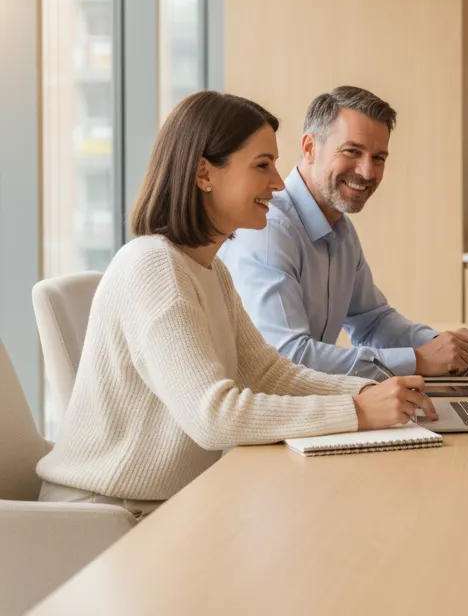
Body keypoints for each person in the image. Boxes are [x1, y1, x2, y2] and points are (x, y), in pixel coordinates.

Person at [38, 92, 435, 519]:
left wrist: (368, 392)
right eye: (262, 165)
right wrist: (355, 411)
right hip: (105, 520)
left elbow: (266, 372)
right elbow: (214, 416)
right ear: (204, 173)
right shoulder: (155, 268)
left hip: (167, 508)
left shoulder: (207, 269)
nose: (279, 182)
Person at [220, 86, 468, 380]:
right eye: (352, 151)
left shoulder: (340, 228)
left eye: (379, 158)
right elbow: (289, 357)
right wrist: (417, 360)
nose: (367, 172)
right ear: (310, 148)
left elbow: (372, 322)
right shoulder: (269, 230)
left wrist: (440, 344)